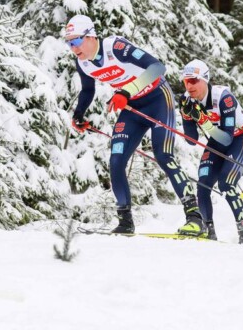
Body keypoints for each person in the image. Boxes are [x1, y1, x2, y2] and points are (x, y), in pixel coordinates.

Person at [64, 15, 204, 235]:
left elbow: (158, 68)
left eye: (76, 41)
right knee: (116, 158)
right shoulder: (82, 62)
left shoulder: (116, 47)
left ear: (90, 36)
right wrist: (79, 114)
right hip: (132, 109)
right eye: (69, 43)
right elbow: (88, 90)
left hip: (158, 99)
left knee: (163, 154)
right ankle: (125, 222)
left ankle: (195, 217)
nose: (73, 48)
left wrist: (126, 91)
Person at [179, 59, 243, 244]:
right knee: (203, 184)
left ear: (205, 80)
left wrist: (204, 121)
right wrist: (186, 116)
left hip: (238, 138)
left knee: (226, 183)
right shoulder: (187, 99)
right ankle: (208, 230)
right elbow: (191, 141)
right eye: (185, 81)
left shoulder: (223, 97)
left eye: (194, 80)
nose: (189, 85)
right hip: (216, 142)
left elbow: (228, 138)